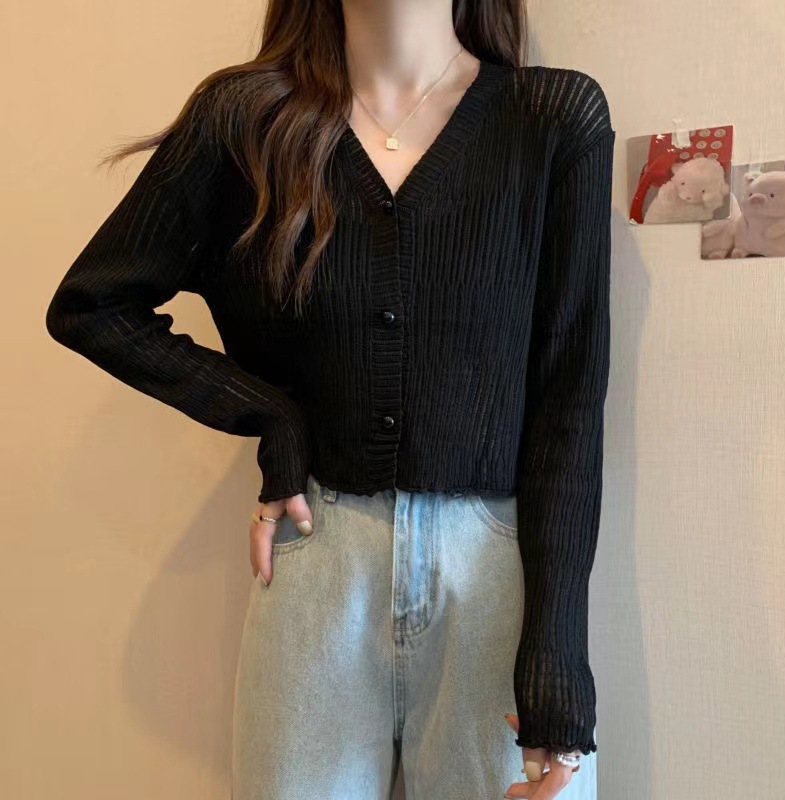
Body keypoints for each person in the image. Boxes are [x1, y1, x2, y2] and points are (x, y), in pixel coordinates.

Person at [45, 1, 615, 798]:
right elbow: (94, 304)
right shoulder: (247, 119)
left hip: (498, 574)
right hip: (318, 556)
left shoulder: (551, 117)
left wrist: (558, 652)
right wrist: (271, 415)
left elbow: (570, 397)